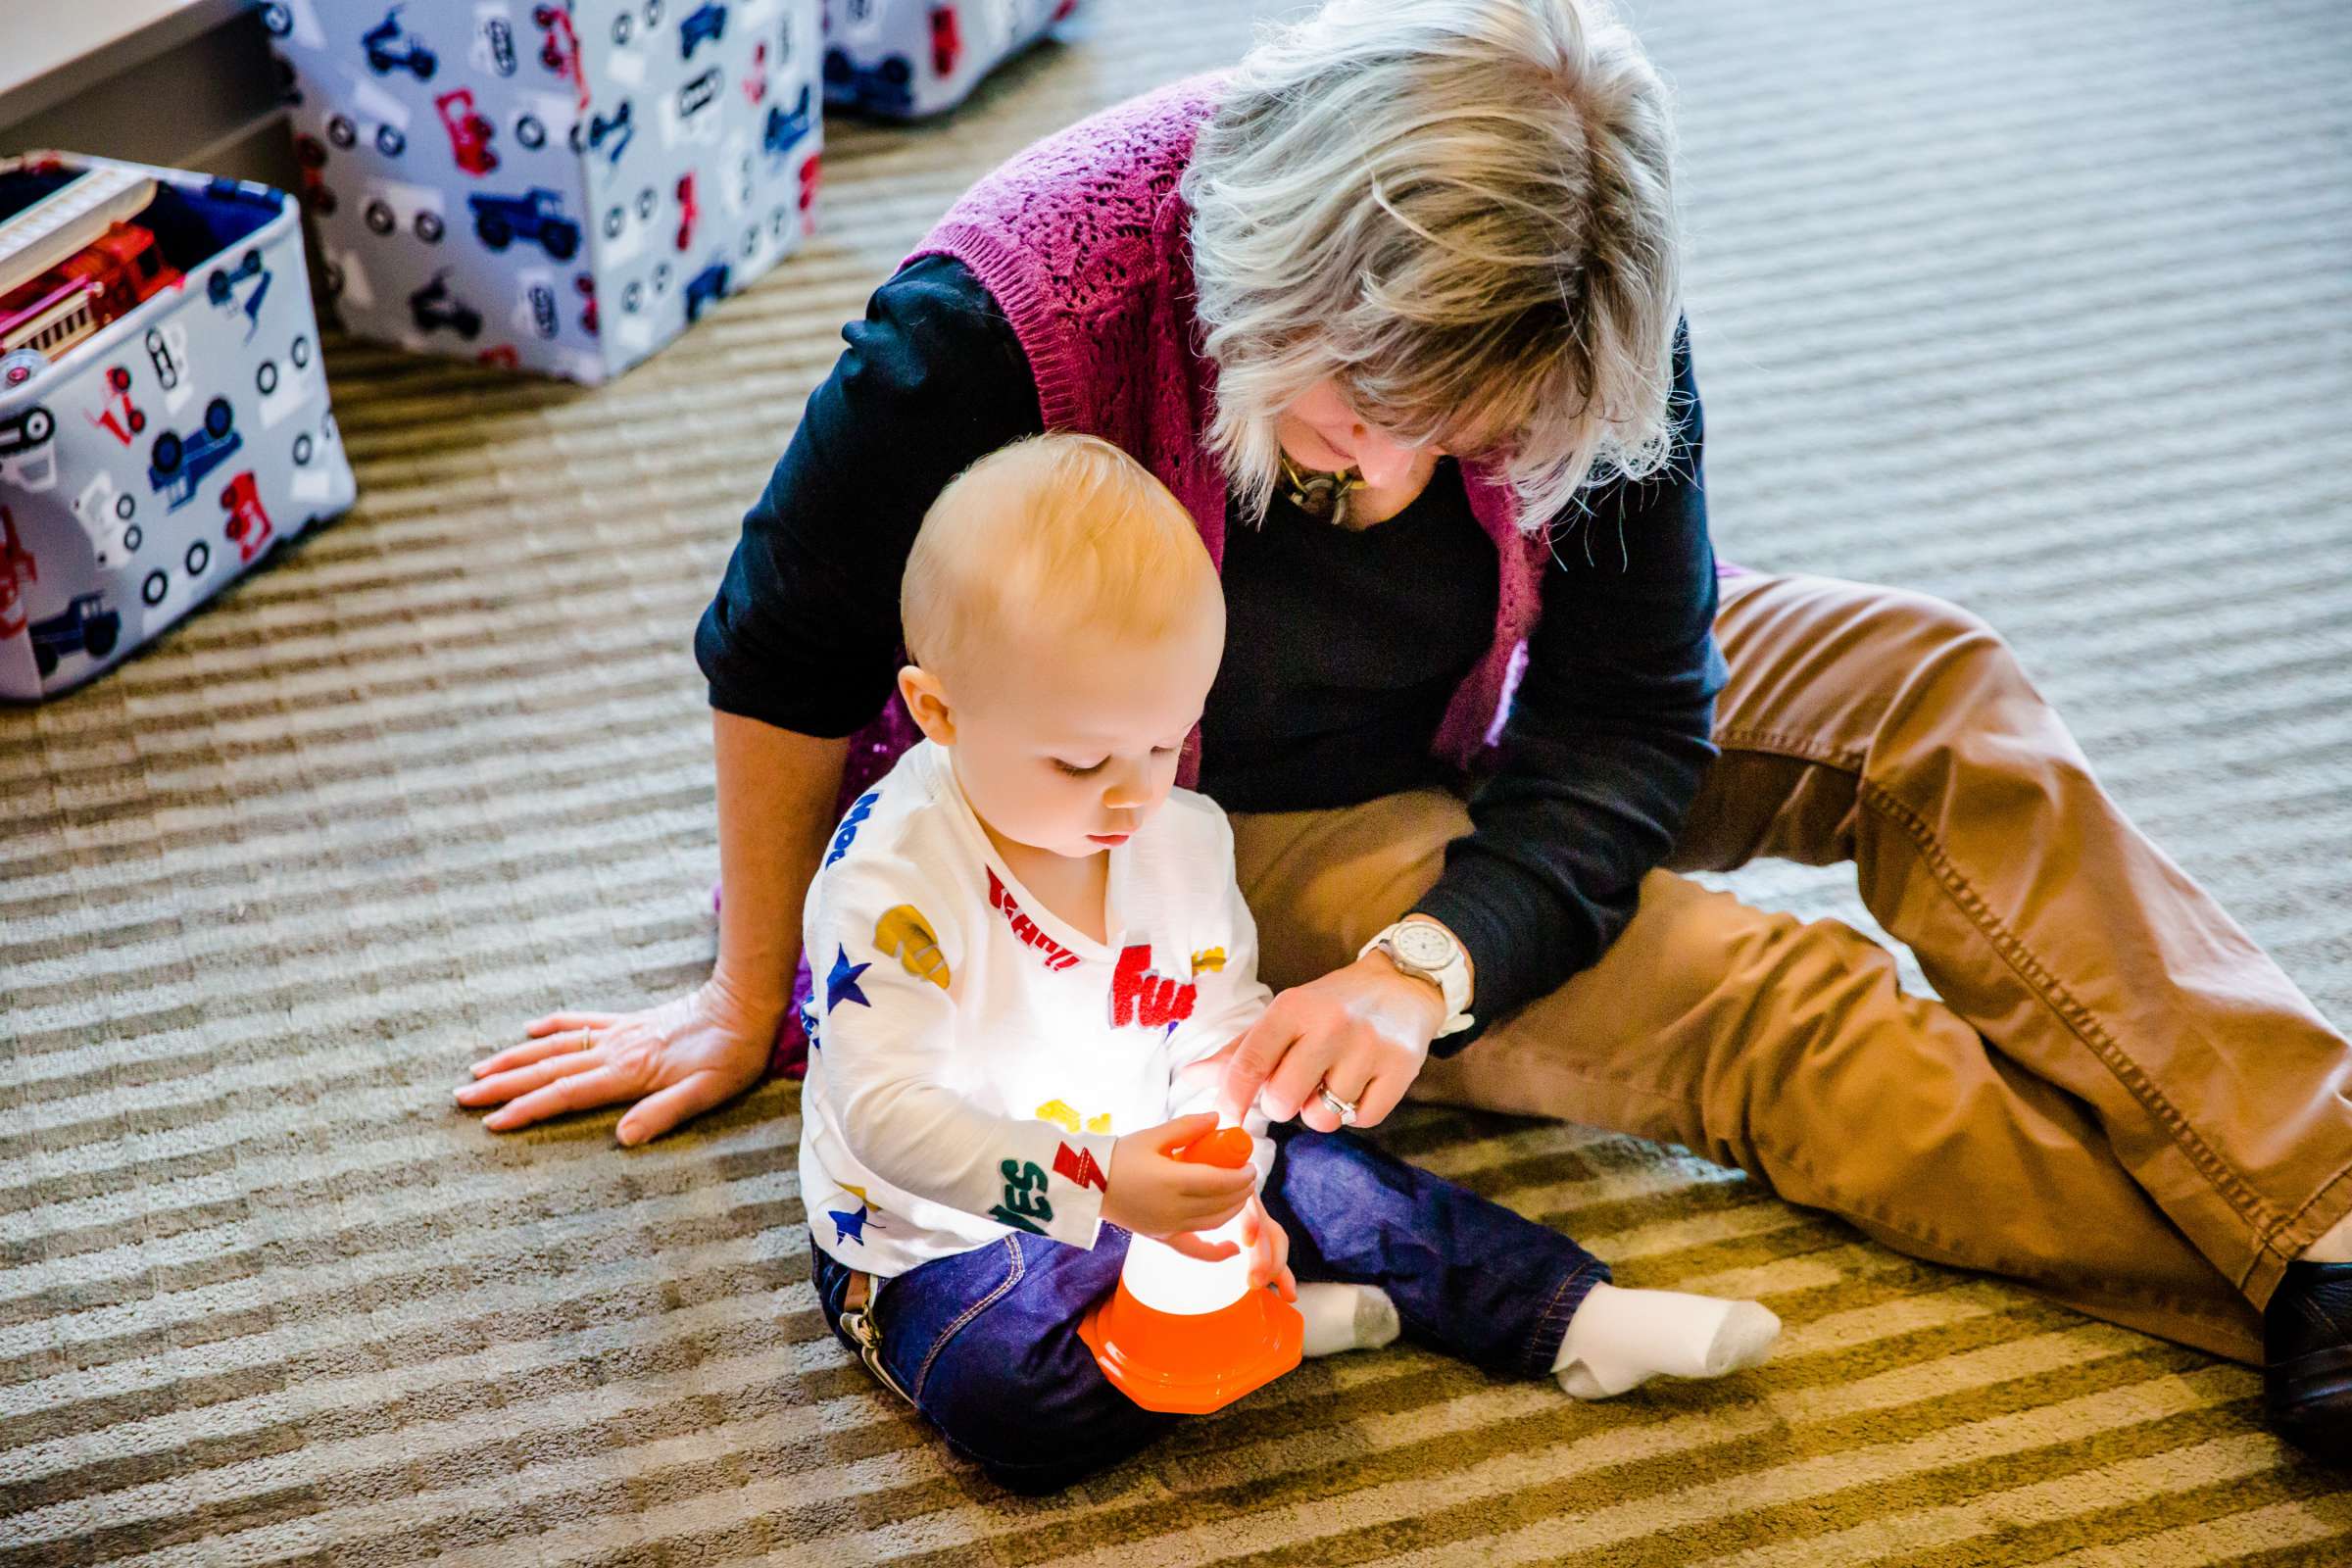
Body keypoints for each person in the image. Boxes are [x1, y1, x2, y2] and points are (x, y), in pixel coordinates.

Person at [456, 0, 2352, 1456]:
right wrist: (745, 982)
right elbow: (780, 645)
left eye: (1489, 430)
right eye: (1384, 412)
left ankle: (2332, 1216)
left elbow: (1628, 704)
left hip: (1494, 700)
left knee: (1930, 680)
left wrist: (1432, 969)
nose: (1435, 468)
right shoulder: (1002, 318)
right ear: (1280, 279)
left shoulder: (1573, 304)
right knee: (1763, 1005)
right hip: (1193, 810)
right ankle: (2274, 1295)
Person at [791, 432, 1780, 1493]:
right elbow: (886, 1116)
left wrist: (1230, 1168)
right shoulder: (892, 888)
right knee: (1007, 1392)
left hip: (1147, 1155)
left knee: (1354, 1188)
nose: (1133, 794)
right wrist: (1103, 1184)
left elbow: (1218, 1020)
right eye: (1081, 760)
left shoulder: (1176, 836)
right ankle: (1258, 1327)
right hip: (945, 1236)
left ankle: (1570, 1313)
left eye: (1166, 742)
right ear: (939, 713)